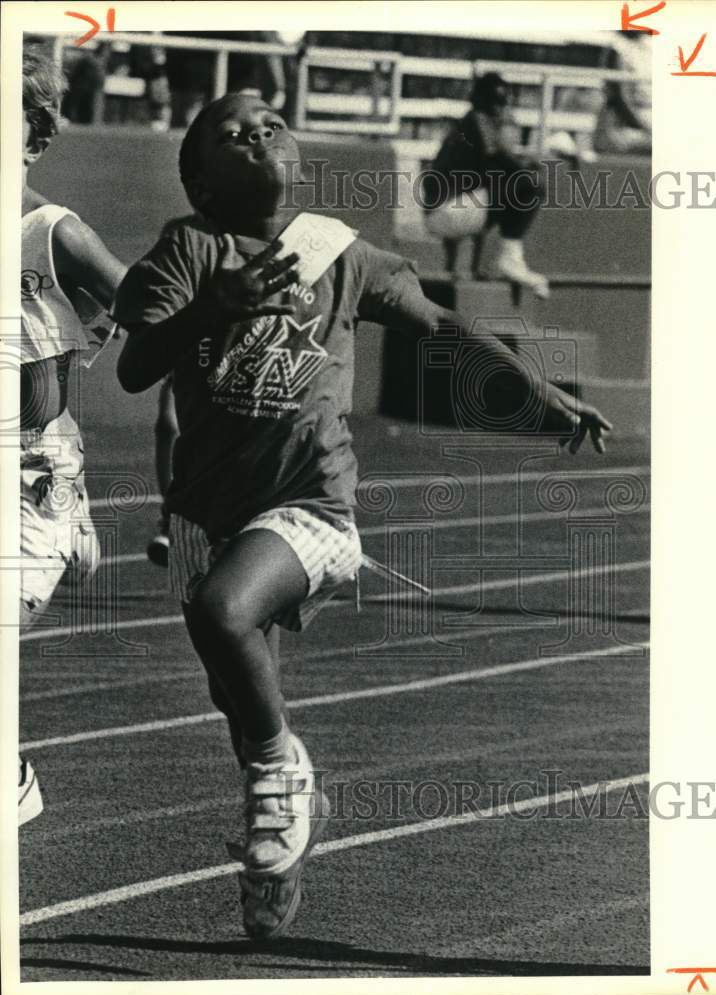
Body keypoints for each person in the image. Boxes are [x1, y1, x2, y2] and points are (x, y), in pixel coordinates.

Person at [113, 92, 612, 939]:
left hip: (311, 501)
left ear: (296, 155)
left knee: (224, 615)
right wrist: (215, 305)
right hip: (207, 513)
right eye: (231, 134)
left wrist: (538, 392)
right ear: (200, 181)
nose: (258, 134)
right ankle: (278, 855)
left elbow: (440, 324)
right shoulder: (190, 249)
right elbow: (136, 367)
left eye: (271, 124)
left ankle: (283, 780)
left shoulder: (334, 251)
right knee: (242, 699)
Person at [19, 47, 126, 823]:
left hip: (33, 466)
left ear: (36, 135)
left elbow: (144, 302)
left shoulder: (51, 231)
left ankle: (14, 779)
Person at [422, 72, 549, 297]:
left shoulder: (464, 126)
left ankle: (475, 267)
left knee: (499, 190)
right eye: (498, 102)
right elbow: (500, 159)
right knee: (531, 185)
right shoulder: (478, 120)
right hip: (449, 212)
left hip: (439, 213)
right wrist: (530, 165)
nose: (500, 108)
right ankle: (510, 259)